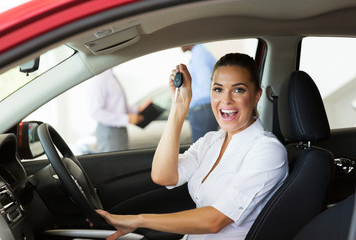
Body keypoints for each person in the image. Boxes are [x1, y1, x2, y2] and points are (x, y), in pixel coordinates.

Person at [91, 53, 289, 240]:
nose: (226, 100)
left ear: (256, 96)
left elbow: (214, 221)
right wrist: (179, 106)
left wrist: (138, 220)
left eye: (238, 90)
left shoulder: (267, 151)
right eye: (218, 89)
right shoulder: (211, 140)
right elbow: (163, 176)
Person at [89, 69, 148, 152]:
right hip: (109, 132)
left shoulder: (110, 75)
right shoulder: (100, 77)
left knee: (121, 163)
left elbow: (116, 104)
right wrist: (127, 119)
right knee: (112, 164)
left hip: (119, 130)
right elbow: (96, 112)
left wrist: (137, 109)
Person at [181, 44, 218, 142]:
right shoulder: (200, 53)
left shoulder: (199, 54)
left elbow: (206, 85)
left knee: (201, 150)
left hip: (202, 109)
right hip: (204, 109)